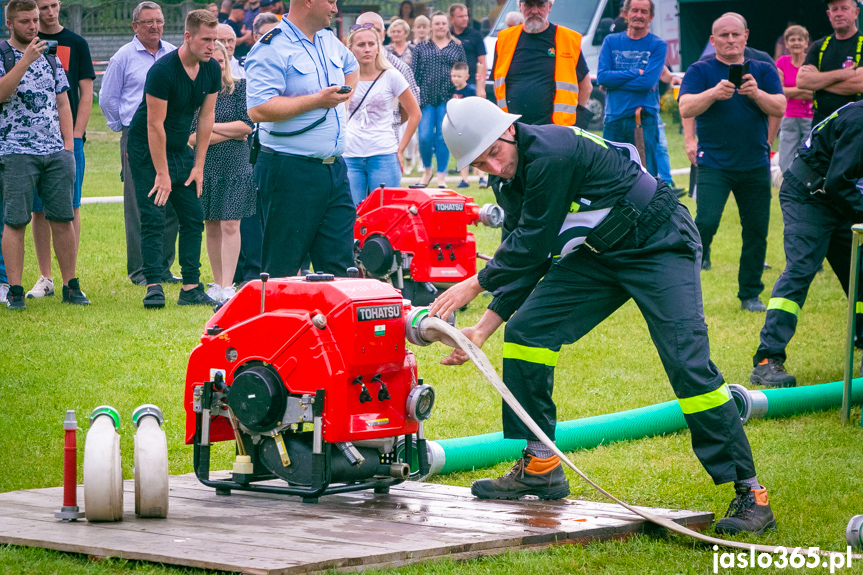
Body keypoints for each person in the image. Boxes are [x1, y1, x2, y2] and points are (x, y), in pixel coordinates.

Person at [431, 96, 776, 536]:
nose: (494, 169)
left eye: (494, 155)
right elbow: (527, 256)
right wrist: (483, 328)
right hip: (599, 253)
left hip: (659, 240)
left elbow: (533, 245)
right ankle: (541, 465)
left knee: (686, 361)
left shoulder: (552, 153)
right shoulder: (510, 176)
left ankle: (751, 493)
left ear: (509, 131)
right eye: (480, 165)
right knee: (527, 331)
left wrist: (475, 284)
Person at [750, 101, 863, 387]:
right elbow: (840, 182)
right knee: (801, 268)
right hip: (808, 195)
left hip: (839, 196)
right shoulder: (859, 121)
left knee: (860, 273)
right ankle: (767, 360)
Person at [678, 14, 785, 312]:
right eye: (723, 35)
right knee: (706, 222)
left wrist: (757, 92)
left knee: (756, 230)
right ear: (713, 40)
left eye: (735, 34)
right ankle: (684, 287)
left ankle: (749, 294)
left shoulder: (762, 69)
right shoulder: (700, 70)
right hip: (714, 163)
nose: (730, 40)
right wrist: (713, 93)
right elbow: (685, 106)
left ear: (746, 36)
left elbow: (780, 105)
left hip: (753, 162)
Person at [245, 0, 358, 278]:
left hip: (334, 170)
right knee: (282, 269)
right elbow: (258, 109)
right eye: (330, 2)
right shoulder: (271, 47)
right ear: (308, 2)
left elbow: (352, 67)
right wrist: (318, 101)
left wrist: (341, 105)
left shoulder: (328, 40)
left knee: (341, 270)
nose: (335, 9)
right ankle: (276, 321)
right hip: (289, 172)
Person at [127, 9, 221, 309]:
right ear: (188, 36)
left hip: (180, 148)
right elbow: (154, 126)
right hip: (146, 148)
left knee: (193, 216)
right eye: (206, 39)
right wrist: (162, 173)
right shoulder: (163, 71)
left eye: (215, 40)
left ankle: (191, 288)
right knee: (154, 215)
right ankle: (153, 285)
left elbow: (206, 118)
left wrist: (199, 167)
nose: (211, 46)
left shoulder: (211, 69)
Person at [0, 0, 89, 310]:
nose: (33, 26)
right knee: (16, 221)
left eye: (35, 20)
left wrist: (68, 147)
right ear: (9, 23)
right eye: (25, 21)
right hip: (16, 152)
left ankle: (70, 285)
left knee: (63, 219)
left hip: (55, 153)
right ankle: (14, 289)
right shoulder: (3, 55)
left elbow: (63, 102)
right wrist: (24, 61)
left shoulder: (52, 58)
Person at [100, 1, 180, 287]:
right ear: (135, 26)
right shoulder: (123, 57)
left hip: (171, 137)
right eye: (148, 22)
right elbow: (107, 99)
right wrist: (125, 129)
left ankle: (162, 267)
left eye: (158, 21)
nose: (154, 26)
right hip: (137, 139)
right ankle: (141, 271)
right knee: (139, 206)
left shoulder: (173, 54)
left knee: (171, 204)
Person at [24, 0, 94, 299]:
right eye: (43, 7)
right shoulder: (27, 45)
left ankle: (70, 278)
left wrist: (75, 136)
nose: (49, 12)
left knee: (70, 208)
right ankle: (45, 277)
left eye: (53, 5)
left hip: (68, 141)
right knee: (38, 209)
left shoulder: (76, 43)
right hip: (34, 142)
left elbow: (86, 92)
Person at [188, 41, 254, 303]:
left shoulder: (240, 88)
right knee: (212, 224)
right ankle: (217, 283)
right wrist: (228, 131)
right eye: (211, 61)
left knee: (230, 223)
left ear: (227, 63)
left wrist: (210, 128)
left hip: (236, 165)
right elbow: (192, 137)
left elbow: (246, 128)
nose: (217, 66)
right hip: (206, 165)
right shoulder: (196, 92)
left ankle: (228, 285)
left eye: (221, 61)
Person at [343, 25, 420, 205]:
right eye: (361, 44)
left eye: (371, 43)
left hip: (383, 154)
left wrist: (400, 148)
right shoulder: (343, 77)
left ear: (379, 47)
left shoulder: (391, 76)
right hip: (350, 156)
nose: (367, 49)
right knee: (353, 214)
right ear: (351, 48)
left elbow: (415, 113)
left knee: (385, 213)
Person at [492, 0, 593, 128]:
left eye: (540, 5)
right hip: (514, 129)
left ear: (549, 7)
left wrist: (576, 120)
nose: (534, 11)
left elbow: (586, 87)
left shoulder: (567, 39)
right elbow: (498, 83)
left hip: (554, 131)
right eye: (529, 5)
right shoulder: (504, 39)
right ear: (520, 7)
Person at [597, 0, 667, 177]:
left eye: (644, 12)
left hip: (642, 120)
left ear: (650, 17)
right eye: (634, 10)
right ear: (625, 14)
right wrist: (636, 72)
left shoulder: (658, 45)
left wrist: (614, 83)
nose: (639, 15)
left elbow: (648, 83)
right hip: (613, 119)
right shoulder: (611, 41)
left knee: (646, 175)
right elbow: (602, 77)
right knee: (610, 174)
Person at [411, 11, 466, 187]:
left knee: (443, 137)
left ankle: (441, 175)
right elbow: (414, 74)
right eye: (437, 23)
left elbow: (463, 70)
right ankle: (427, 170)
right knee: (425, 136)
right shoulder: (421, 47)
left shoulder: (457, 46)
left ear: (447, 25)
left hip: (448, 99)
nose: (441, 26)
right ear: (431, 26)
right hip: (426, 98)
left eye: (443, 23)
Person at [797, 0, 863, 126]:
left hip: (855, 124)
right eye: (834, 9)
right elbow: (802, 81)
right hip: (822, 123)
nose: (838, 14)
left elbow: (860, 84)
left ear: (856, 12)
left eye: (844, 8)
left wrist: (818, 83)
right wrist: (842, 74)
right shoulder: (819, 46)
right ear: (829, 14)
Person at [776, 25, 814, 175]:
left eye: (800, 39)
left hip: (811, 117)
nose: (796, 43)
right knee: (785, 158)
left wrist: (791, 91)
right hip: (789, 116)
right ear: (786, 43)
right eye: (792, 40)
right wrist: (804, 90)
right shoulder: (781, 62)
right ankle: (788, 186)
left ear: (806, 43)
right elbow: (779, 91)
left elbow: (817, 91)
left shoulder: (812, 61)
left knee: (809, 155)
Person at [449, 3, 486, 99]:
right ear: (451, 19)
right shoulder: (447, 36)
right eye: (461, 16)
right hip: (451, 85)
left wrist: (481, 87)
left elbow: (482, 62)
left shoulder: (476, 35)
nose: (465, 19)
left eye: (466, 16)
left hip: (471, 84)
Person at [449, 61, 475, 188]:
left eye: (459, 76)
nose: (455, 79)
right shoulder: (450, 90)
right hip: (457, 126)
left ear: (466, 77)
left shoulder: (471, 91)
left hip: (470, 125)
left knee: (476, 151)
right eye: (453, 76)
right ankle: (464, 180)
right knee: (461, 153)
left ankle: (481, 177)